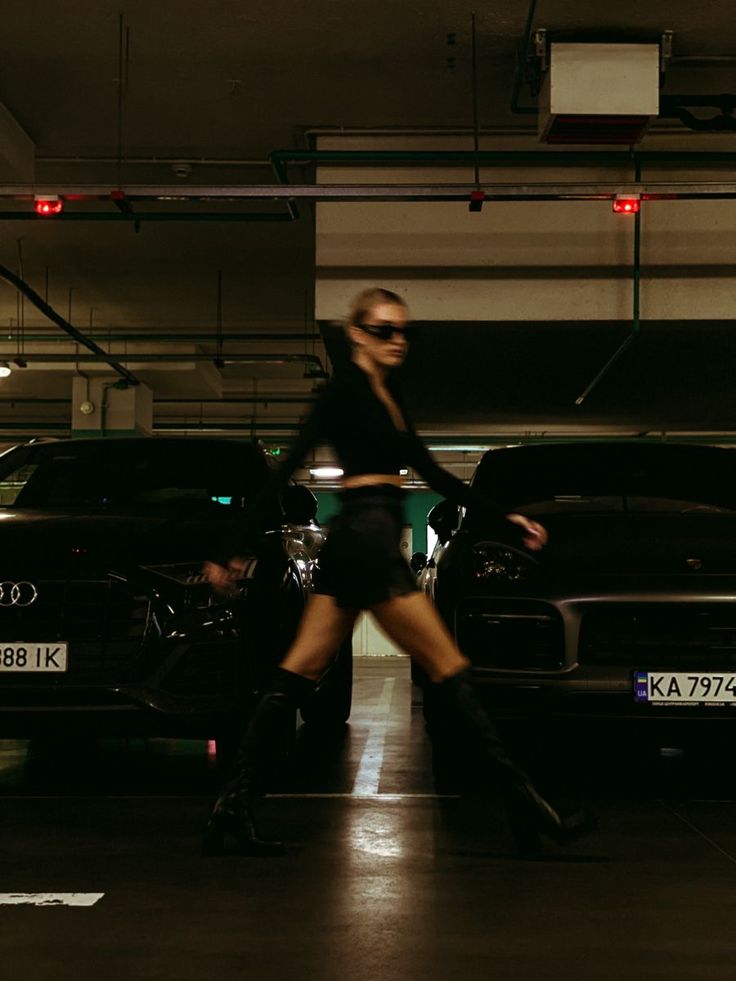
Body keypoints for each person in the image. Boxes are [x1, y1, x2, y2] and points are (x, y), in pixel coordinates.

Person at [202, 287, 593, 858]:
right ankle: (532, 811)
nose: (398, 341)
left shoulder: (392, 396)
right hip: (365, 542)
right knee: (451, 671)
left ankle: (229, 812)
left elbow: (432, 470)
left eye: (405, 331)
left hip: (363, 541)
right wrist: (231, 547)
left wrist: (504, 520)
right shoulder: (341, 392)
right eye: (384, 330)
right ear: (356, 334)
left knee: (297, 673)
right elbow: (285, 466)